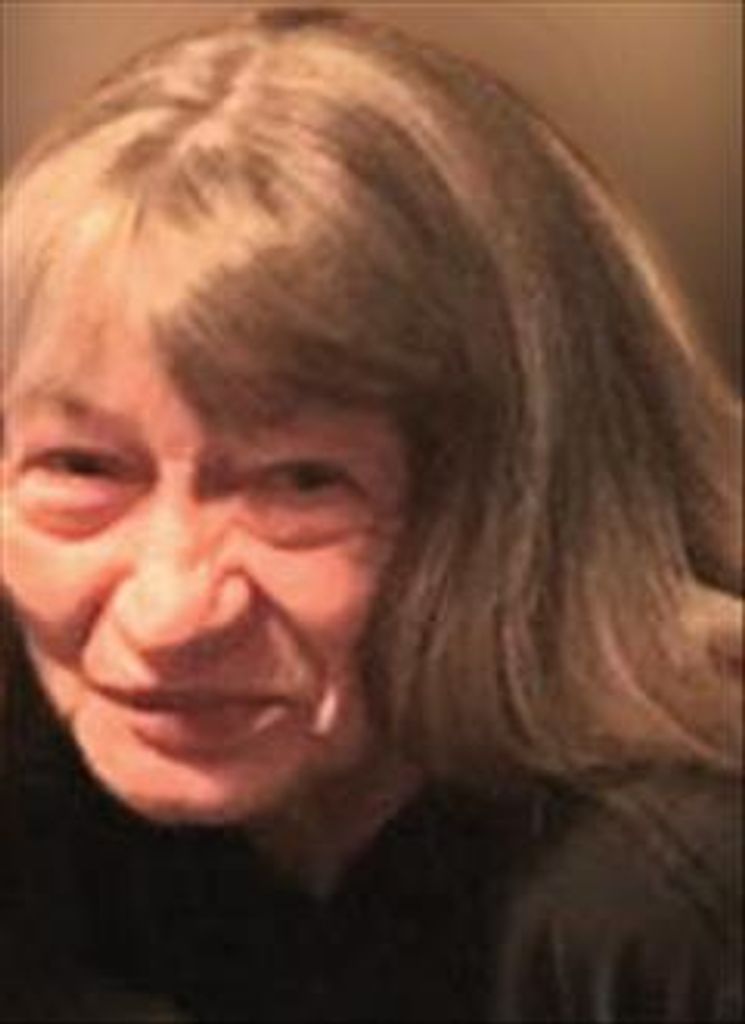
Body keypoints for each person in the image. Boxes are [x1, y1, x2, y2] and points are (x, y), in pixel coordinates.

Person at [1, 6, 741, 1021]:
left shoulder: (670, 911)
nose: (168, 614)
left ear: (523, 511)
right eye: (81, 467)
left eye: (302, 483)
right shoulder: (49, 809)